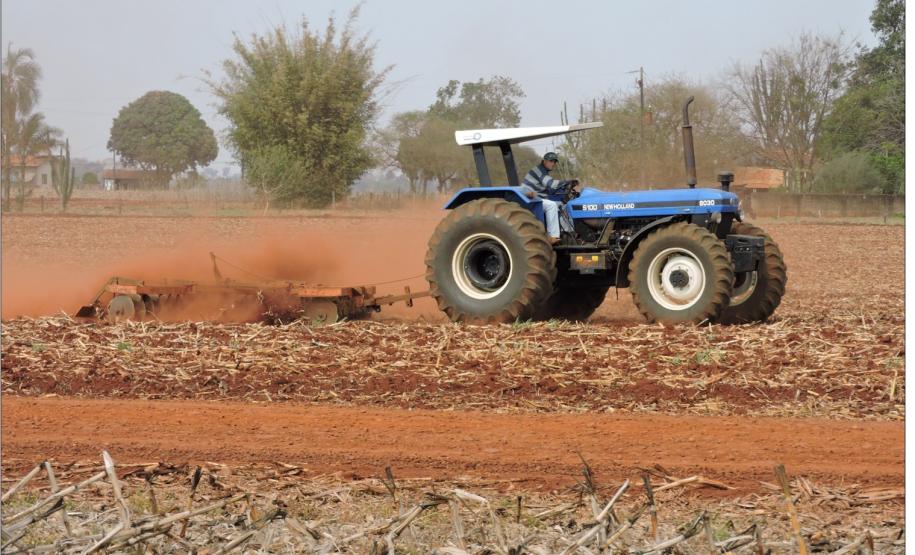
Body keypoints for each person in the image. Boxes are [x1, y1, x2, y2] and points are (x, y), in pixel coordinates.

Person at [521, 152, 579, 245]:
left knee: (564, 205)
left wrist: (567, 185)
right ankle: (553, 236)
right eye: (551, 161)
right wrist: (567, 182)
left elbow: (550, 188)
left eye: (554, 162)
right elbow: (551, 184)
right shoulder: (539, 171)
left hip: (536, 198)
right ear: (544, 161)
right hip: (528, 199)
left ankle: (569, 234)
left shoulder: (544, 172)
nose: (553, 164)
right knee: (552, 205)